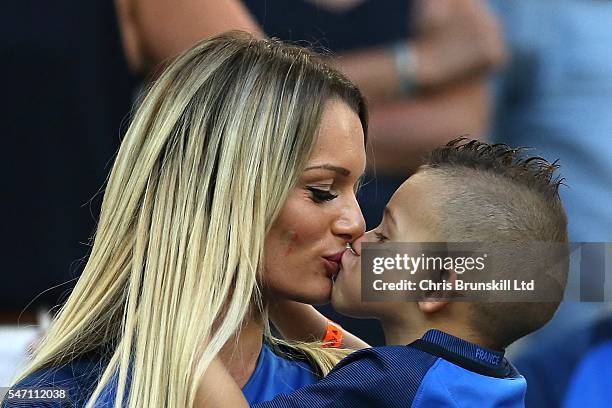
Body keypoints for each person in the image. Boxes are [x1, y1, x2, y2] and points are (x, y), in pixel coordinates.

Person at [4, 32, 369, 408]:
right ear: (217, 190)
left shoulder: (342, 385)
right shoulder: (58, 395)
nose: (356, 223)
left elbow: (431, 296)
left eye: (357, 190)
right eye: (322, 190)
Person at [196, 139, 570, 407]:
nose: (360, 234)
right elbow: (349, 351)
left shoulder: (393, 382)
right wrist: (276, 293)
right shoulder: (491, 382)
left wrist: (183, 341)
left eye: (385, 235)